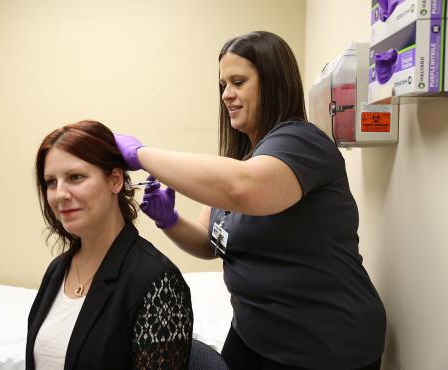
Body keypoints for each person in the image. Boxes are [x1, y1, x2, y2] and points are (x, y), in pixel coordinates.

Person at [115, 31, 386, 370]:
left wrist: (141, 155)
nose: (227, 95)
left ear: (273, 82)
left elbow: (244, 189)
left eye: (238, 82)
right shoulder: (243, 159)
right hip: (254, 332)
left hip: (325, 343)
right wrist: (169, 221)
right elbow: (210, 243)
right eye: (223, 85)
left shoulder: (303, 143)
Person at [26, 120, 193, 370]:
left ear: (115, 180)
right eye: (51, 182)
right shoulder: (57, 270)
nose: (59, 194)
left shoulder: (158, 282)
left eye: (75, 177)